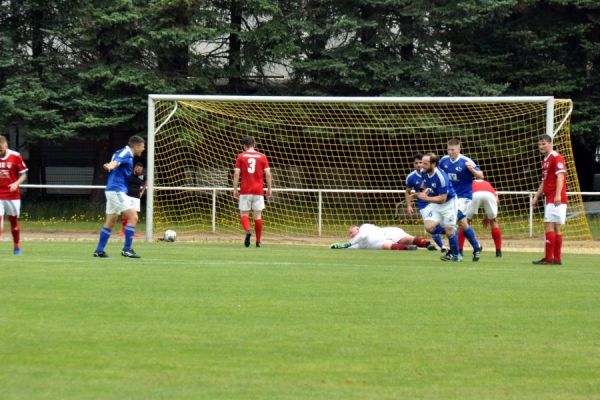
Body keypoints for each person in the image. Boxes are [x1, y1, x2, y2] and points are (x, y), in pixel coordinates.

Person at [93, 135, 145, 258]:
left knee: (111, 221)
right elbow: (116, 161)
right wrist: (110, 165)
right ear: (136, 146)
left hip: (113, 190)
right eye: (143, 147)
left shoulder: (122, 151)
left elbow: (117, 159)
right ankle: (127, 249)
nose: (143, 149)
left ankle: (99, 250)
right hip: (117, 190)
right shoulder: (126, 152)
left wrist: (112, 165)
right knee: (134, 217)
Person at [439, 138, 483, 261]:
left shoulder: (466, 161)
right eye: (449, 149)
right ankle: (477, 246)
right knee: (462, 223)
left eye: (453, 150)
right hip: (450, 197)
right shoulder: (444, 160)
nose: (450, 152)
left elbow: (481, 176)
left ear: (459, 149)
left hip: (464, 197)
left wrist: (472, 170)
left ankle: (453, 252)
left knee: (451, 221)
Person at [415, 153, 462, 262]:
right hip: (435, 203)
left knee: (449, 231)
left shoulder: (441, 177)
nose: (422, 166)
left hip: (448, 203)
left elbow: (443, 199)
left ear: (433, 164)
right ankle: (450, 230)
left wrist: (426, 199)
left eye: (425, 164)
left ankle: (457, 255)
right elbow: (427, 185)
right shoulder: (423, 172)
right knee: (429, 227)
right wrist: (424, 192)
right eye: (422, 163)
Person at [531, 134, 567, 265]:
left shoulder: (556, 157)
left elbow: (561, 176)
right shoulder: (545, 160)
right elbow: (544, 181)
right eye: (539, 144)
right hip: (550, 197)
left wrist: (557, 195)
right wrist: (536, 196)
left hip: (555, 198)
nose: (541, 146)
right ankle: (556, 259)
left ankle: (548, 258)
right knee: (556, 228)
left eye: (544, 144)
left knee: (548, 225)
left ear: (551, 144)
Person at [232, 136, 272, 248]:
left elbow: (236, 174)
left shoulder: (241, 156)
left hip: (245, 190)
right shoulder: (262, 156)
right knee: (258, 216)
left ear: (244, 146)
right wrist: (269, 189)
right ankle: (258, 242)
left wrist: (235, 189)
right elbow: (268, 174)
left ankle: (248, 231)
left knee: (244, 213)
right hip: (258, 191)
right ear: (254, 144)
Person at [405, 153, 446, 252]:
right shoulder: (411, 177)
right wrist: (409, 205)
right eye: (416, 163)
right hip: (423, 205)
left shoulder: (432, 172)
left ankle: (450, 231)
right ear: (413, 164)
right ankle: (443, 247)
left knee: (442, 223)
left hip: (436, 202)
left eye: (420, 162)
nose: (419, 165)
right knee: (429, 226)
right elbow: (408, 192)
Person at [0, 134, 28, 255]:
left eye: (1, 148)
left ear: (6, 145)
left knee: (14, 223)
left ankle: (16, 246)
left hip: (12, 195)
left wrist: (16, 183)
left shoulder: (15, 156)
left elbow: (24, 174)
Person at [465, 179, 503, 257]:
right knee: (494, 222)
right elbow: (496, 200)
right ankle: (498, 251)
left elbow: (466, 198)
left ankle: (459, 251)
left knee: (464, 223)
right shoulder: (488, 183)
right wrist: (489, 217)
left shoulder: (469, 183)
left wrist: (469, 217)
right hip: (489, 195)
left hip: (474, 194)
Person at [330, 223, 432, 250]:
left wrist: (347, 243)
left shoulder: (364, 227)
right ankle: (409, 248)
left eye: (351, 232)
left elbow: (362, 236)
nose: (350, 235)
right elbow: (350, 247)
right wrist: (337, 246)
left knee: (408, 239)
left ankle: (427, 244)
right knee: (387, 246)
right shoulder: (357, 243)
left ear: (357, 228)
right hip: (380, 241)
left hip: (386, 232)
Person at [119, 162, 146, 237]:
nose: (139, 171)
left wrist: (142, 191)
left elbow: (146, 181)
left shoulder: (141, 176)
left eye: (140, 170)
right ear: (135, 168)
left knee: (134, 215)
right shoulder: (129, 175)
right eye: (138, 170)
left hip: (136, 197)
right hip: (127, 196)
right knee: (125, 213)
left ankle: (131, 231)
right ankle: (123, 230)